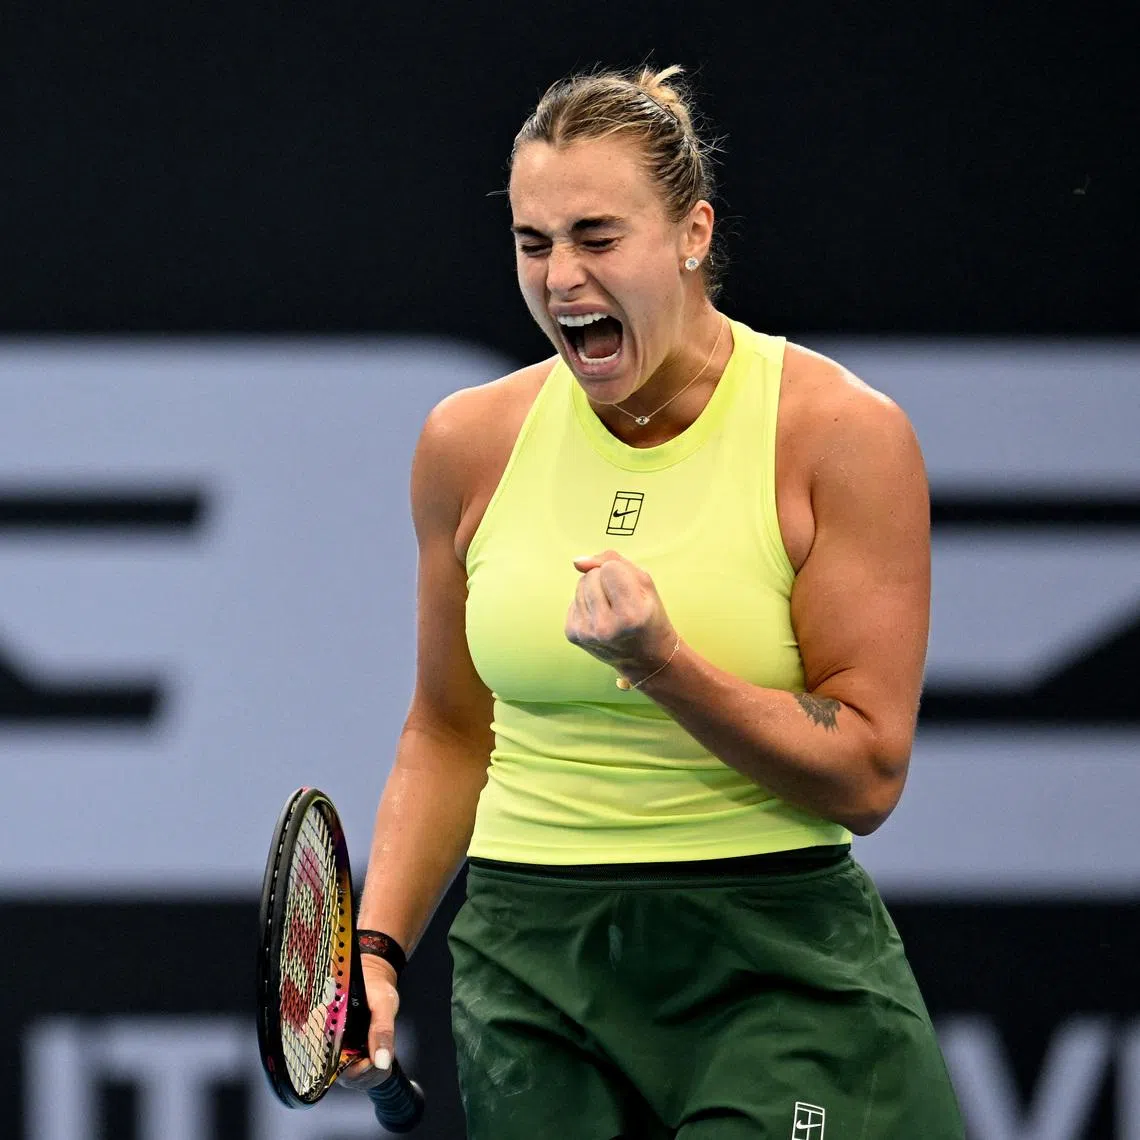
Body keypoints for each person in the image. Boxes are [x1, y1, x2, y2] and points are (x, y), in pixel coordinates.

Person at [342, 64, 965, 1139]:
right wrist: (377, 952)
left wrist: (662, 663)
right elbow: (449, 730)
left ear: (692, 232)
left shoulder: (838, 435)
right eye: (534, 244)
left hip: (768, 958)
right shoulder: (467, 444)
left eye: (596, 236)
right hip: (528, 963)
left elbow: (867, 771)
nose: (561, 278)